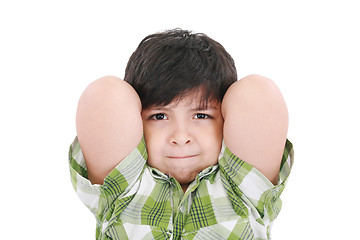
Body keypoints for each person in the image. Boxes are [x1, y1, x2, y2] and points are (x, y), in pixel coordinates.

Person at [69, 29, 294, 239]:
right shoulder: (121, 191)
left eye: (201, 116)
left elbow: (257, 93)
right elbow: (105, 96)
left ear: (228, 119)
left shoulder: (244, 190)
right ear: (135, 120)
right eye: (159, 116)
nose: (180, 136)